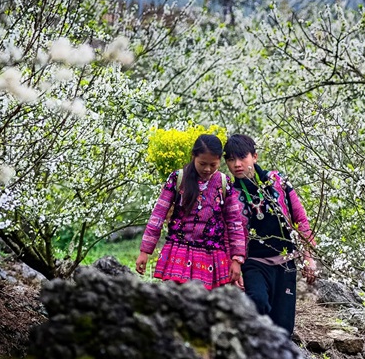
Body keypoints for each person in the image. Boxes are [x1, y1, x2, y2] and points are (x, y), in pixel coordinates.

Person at [224, 133, 316, 336]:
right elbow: (228, 235)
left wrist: (308, 257)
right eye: (230, 159)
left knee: (283, 329)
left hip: (286, 263)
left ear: (254, 157)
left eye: (242, 157)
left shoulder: (279, 183)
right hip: (254, 263)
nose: (237, 164)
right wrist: (235, 264)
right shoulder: (229, 194)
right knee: (256, 303)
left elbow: (300, 219)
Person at [135, 134, 246, 289]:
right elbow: (158, 216)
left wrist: (237, 259)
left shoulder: (224, 183)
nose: (207, 169)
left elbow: (234, 223)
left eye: (213, 165)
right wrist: (145, 251)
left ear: (219, 160)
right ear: (193, 156)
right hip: (178, 254)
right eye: (202, 163)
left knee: (207, 308)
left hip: (212, 257)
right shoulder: (177, 179)